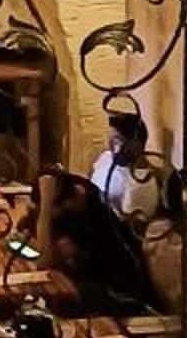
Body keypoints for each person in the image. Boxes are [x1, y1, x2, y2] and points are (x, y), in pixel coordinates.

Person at [40, 168, 152, 317]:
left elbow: (45, 261)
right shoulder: (72, 195)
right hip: (95, 281)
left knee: (58, 299)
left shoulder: (92, 211)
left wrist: (45, 207)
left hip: (120, 292)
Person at [89, 107, 164, 226]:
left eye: (117, 141)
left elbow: (127, 229)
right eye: (109, 139)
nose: (110, 146)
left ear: (135, 145)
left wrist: (105, 205)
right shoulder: (107, 157)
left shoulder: (141, 185)